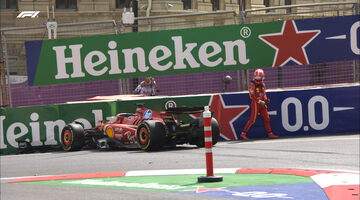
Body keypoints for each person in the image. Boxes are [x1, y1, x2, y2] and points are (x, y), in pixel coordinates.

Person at [240, 69, 279, 141]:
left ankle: (270, 133)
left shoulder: (263, 84)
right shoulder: (252, 85)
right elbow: (251, 96)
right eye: (258, 78)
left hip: (262, 104)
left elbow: (263, 94)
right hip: (255, 104)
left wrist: (266, 99)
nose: (259, 79)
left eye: (259, 78)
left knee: (267, 118)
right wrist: (259, 101)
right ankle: (243, 133)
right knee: (252, 120)